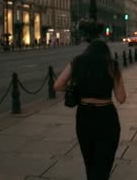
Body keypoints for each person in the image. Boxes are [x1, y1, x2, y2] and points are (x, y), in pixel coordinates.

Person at [54, 39, 127, 180]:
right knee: (104, 160)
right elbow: (121, 98)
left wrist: (77, 89)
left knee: (89, 159)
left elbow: (57, 85)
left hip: (84, 115)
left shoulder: (77, 62)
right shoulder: (111, 64)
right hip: (106, 115)